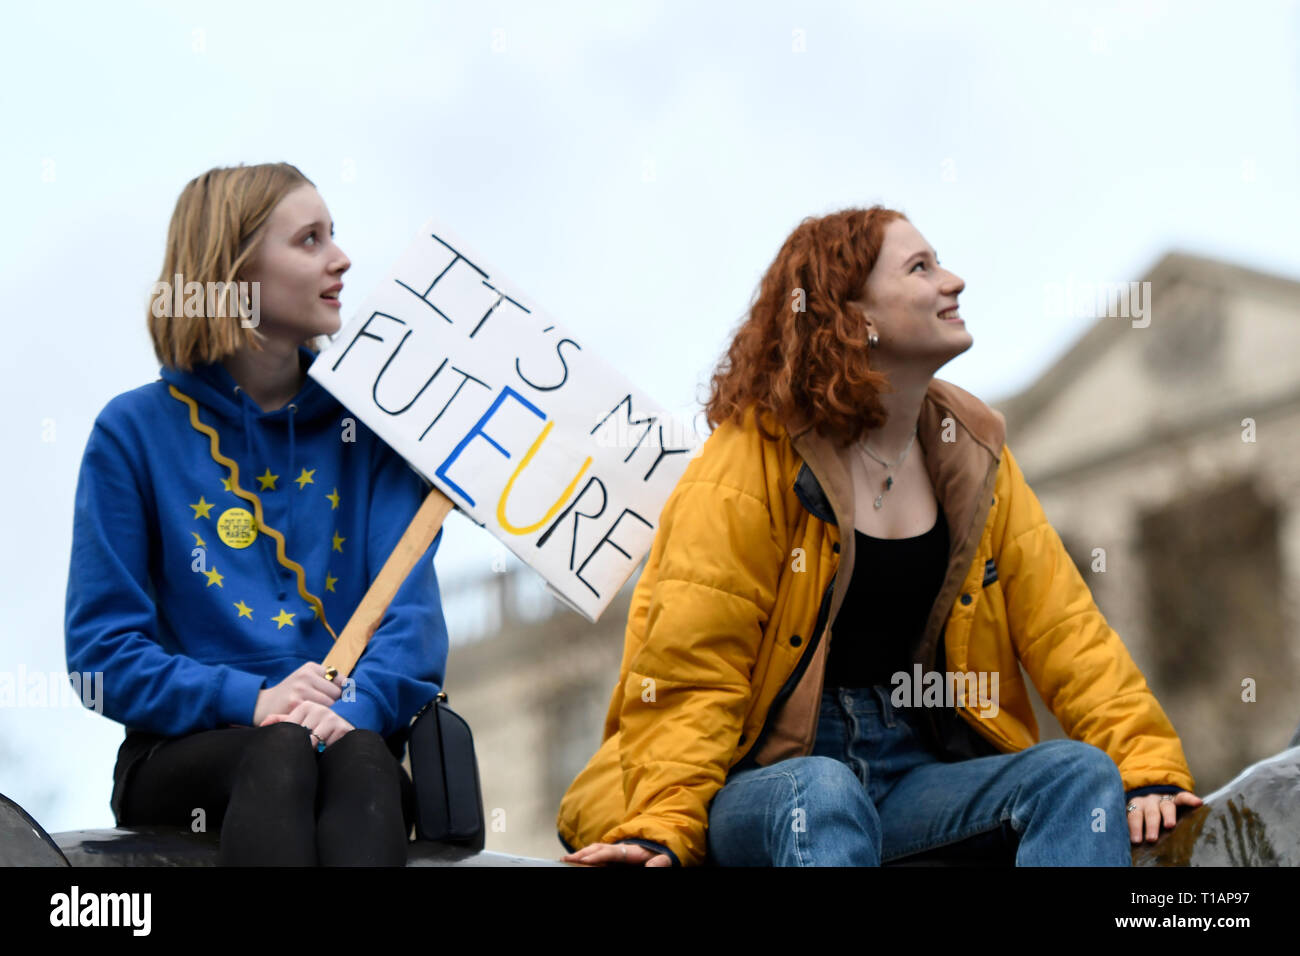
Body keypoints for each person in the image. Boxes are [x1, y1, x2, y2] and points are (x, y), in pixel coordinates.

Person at [558, 205, 1202, 867]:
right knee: (822, 790)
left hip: (910, 777)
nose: (953, 281)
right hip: (767, 785)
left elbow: (1066, 630)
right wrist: (662, 825)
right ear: (854, 314)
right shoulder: (747, 460)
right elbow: (692, 670)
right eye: (921, 268)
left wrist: (1146, 764)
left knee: (1074, 774)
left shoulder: (973, 454)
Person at [64, 162, 451, 866]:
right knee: (283, 755)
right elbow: (101, 656)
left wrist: (348, 710)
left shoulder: (377, 430)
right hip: (183, 754)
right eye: (309, 239)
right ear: (235, 271)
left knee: (363, 763)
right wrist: (254, 698)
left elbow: (413, 628)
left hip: (349, 743)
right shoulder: (130, 433)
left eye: (334, 234)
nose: (341, 258)